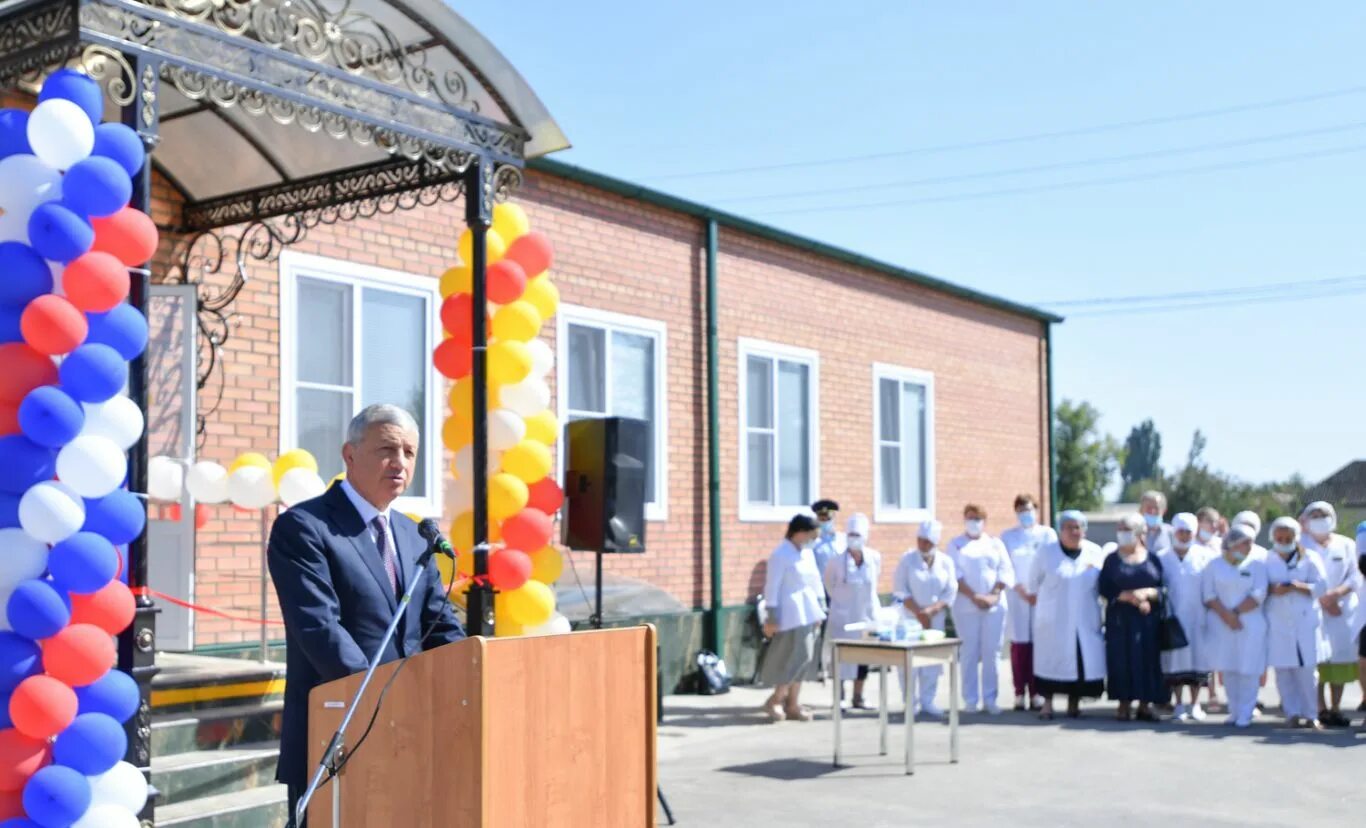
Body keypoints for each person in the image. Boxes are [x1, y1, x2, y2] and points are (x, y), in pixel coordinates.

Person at [268, 405, 466, 826]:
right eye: (387, 449)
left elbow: (440, 628)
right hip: (337, 735)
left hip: (412, 735)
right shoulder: (305, 527)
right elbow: (321, 631)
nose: (400, 462)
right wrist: (387, 706)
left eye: (409, 452)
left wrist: (475, 671)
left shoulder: (416, 538)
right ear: (350, 455)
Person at [1029, 510, 1106, 720]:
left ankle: (1074, 703)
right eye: (1069, 527)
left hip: (1085, 619)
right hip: (1054, 621)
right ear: (1060, 530)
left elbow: (1102, 584)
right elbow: (1032, 584)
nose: (1074, 531)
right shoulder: (1046, 552)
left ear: (1085, 531)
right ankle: (1047, 704)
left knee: (1080, 662)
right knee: (1050, 662)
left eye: (1078, 527)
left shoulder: (1094, 552)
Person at [1298, 501, 1362, 727]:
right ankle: (1319, 707)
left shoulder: (1346, 544)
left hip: (1341, 610)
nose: (1320, 518)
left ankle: (1335, 708)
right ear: (1305, 520)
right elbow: (1296, 577)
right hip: (1311, 609)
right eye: (1314, 514)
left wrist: (1335, 594)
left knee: (1339, 660)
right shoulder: (1299, 545)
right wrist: (1322, 598)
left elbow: (1355, 575)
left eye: (1324, 514)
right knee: (1315, 660)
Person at [946, 504, 1015, 714]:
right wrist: (974, 596)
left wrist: (993, 594)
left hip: (994, 607)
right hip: (966, 606)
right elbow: (954, 574)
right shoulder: (956, 544)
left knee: (991, 652)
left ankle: (990, 698)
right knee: (969, 652)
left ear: (984, 521)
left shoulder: (995, 544)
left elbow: (1006, 571)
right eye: (970, 518)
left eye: (977, 518)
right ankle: (970, 699)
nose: (974, 522)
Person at [1099, 513, 1167, 722]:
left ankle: (1145, 705)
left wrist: (1147, 594)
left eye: (1127, 529)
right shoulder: (1112, 560)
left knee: (1147, 659)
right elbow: (1104, 587)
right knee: (1121, 659)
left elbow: (1163, 588)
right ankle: (1123, 704)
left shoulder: (1152, 558)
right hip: (1120, 620)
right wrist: (1126, 597)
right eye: (1120, 529)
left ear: (1139, 533)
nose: (1122, 533)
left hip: (1147, 620)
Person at [759, 513, 827, 722]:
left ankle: (792, 704)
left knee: (805, 660)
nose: (812, 540)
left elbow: (815, 580)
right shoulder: (781, 554)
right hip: (790, 613)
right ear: (799, 532)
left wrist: (821, 606)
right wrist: (772, 615)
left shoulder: (807, 553)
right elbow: (772, 586)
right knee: (797, 657)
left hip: (809, 611)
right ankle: (776, 699)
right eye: (810, 535)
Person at [1264, 516, 1329, 729]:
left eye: (1287, 537)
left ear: (1296, 537)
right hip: (1278, 620)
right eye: (1279, 537)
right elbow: (1258, 587)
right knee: (1283, 671)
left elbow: (1321, 586)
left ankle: (1311, 714)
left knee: (1307, 671)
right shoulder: (1267, 559)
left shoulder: (1310, 558)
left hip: (1304, 621)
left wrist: (1296, 586)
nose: (1283, 541)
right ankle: (1291, 713)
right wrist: (1273, 590)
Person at [1201, 525, 1268, 728]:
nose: (1249, 546)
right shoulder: (1214, 565)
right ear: (1232, 544)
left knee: (1248, 669)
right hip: (1222, 624)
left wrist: (1236, 613)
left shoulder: (1257, 565)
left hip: (1250, 624)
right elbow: (1209, 595)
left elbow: (1258, 595)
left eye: (1250, 542)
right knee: (1229, 668)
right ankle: (1234, 710)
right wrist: (1227, 616)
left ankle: (1246, 713)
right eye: (1244, 542)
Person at [893, 520, 957, 718]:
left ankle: (928, 700)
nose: (923, 544)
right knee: (909, 662)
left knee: (931, 661)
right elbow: (900, 590)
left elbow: (950, 590)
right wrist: (919, 613)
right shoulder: (907, 560)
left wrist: (932, 610)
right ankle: (910, 702)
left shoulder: (946, 562)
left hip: (935, 618)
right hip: (911, 618)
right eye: (920, 540)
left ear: (935, 542)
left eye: (928, 541)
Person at [1000, 493, 1057, 711]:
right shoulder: (1008, 536)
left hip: (1042, 597)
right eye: (1021, 510)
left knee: (1038, 644)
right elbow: (1006, 567)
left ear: (1037, 510)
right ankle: (1018, 692)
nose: (1026, 514)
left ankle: (1037, 691)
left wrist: (1039, 592)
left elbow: (1051, 565)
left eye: (1029, 509)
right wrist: (1021, 590)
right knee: (1019, 645)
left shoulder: (1047, 535)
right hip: (1018, 597)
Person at [1158, 513, 1217, 721]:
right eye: (1180, 531)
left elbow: (1211, 589)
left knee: (1199, 661)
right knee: (1174, 663)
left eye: (1188, 532)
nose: (1184, 535)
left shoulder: (1206, 556)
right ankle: (1179, 704)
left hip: (1199, 618)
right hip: (1173, 619)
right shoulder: (1162, 557)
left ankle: (1195, 704)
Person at [823, 513, 882, 709]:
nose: (854, 538)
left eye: (857, 534)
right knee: (840, 657)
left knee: (863, 658)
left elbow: (874, 582)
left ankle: (859, 696)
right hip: (843, 617)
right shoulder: (836, 561)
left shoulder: (874, 557)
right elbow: (829, 583)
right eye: (851, 534)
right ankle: (839, 698)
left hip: (866, 615)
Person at [810, 499, 843, 680]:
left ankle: (834, 664)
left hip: (839, 591)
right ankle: (818, 667)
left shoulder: (841, 540)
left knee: (837, 629)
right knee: (819, 630)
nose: (824, 520)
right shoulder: (813, 541)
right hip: (820, 591)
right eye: (821, 517)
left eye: (827, 517)